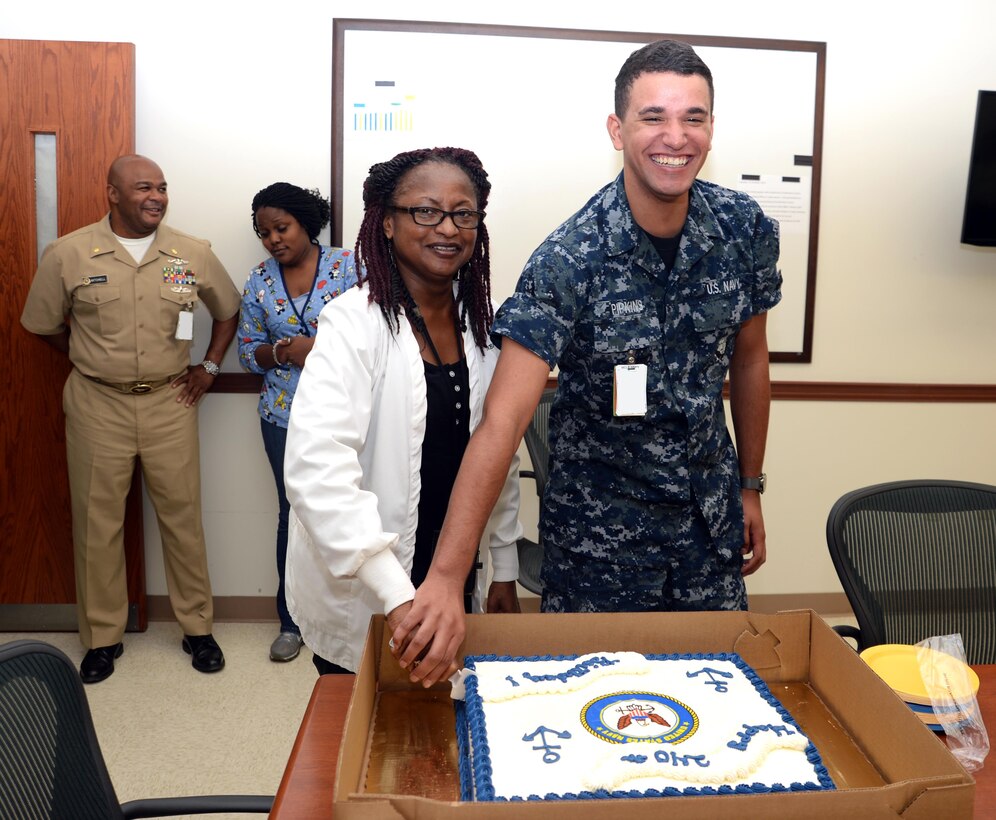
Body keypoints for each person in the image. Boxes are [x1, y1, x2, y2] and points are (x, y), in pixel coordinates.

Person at [392, 40, 783, 686]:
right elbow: (502, 422)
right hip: (602, 546)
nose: (675, 137)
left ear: (712, 127)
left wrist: (750, 484)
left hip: (706, 532)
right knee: (592, 713)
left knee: (715, 699)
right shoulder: (570, 259)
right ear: (617, 129)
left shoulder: (744, 231)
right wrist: (444, 575)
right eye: (653, 116)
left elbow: (749, 358)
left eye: (694, 117)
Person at [283, 147, 522, 678]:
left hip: (456, 570)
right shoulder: (351, 324)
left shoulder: (483, 329)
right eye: (426, 211)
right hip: (368, 586)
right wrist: (396, 594)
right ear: (387, 223)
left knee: (452, 732)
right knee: (366, 735)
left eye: (464, 214)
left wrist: (503, 566)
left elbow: (498, 455)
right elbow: (317, 471)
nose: (448, 228)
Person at [20, 154, 241, 683]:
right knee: (97, 525)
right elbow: (44, 324)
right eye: (144, 187)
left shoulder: (188, 253)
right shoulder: (69, 254)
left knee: (182, 518)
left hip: (170, 401)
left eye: (162, 188)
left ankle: (198, 629)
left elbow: (227, 310)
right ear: (112, 193)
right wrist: (91, 359)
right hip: (98, 405)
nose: (157, 197)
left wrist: (208, 368)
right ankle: (101, 639)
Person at [237, 182, 357, 662]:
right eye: (264, 232)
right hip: (283, 416)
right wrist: (285, 351)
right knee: (295, 514)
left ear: (307, 223)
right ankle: (292, 621)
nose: (273, 239)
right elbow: (248, 353)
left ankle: (353, 615)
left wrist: (321, 350)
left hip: (349, 413)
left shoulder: (351, 266)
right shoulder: (259, 281)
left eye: (281, 228)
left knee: (353, 511)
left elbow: (384, 328)